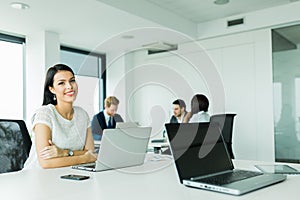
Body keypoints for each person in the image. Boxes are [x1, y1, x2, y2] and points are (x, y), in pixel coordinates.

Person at [23, 64, 96, 169]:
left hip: (68, 174)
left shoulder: (82, 115)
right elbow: (46, 163)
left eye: (72, 80)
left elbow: (90, 152)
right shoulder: (45, 114)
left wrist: (63, 153)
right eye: (61, 83)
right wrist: (85, 158)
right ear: (52, 89)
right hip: (37, 176)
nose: (69, 86)